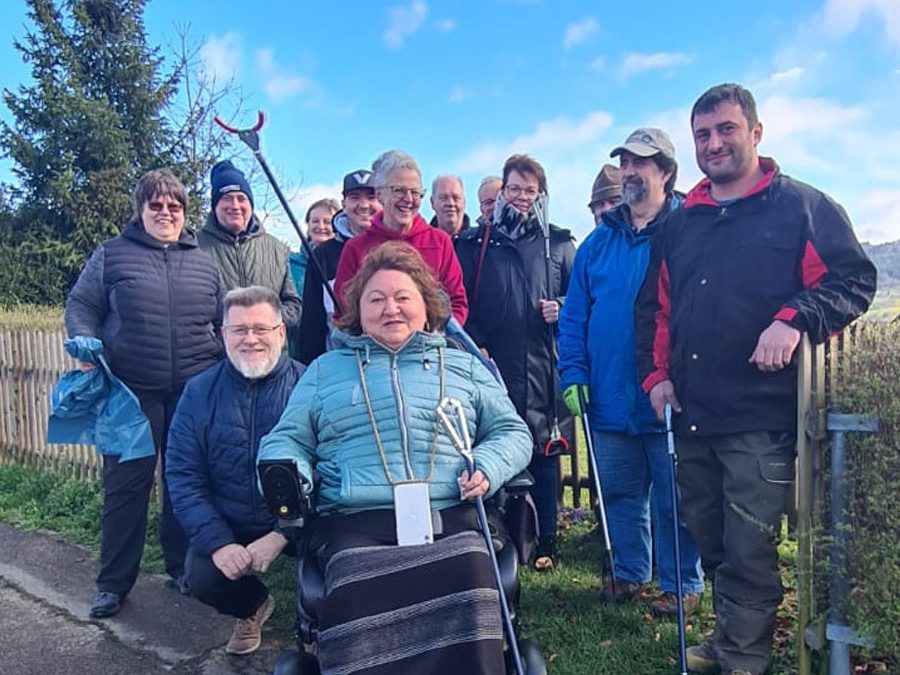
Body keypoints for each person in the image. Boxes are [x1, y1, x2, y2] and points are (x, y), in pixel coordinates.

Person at [636, 83, 876, 675]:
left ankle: (742, 662)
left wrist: (793, 320)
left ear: (756, 132)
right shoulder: (680, 224)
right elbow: (653, 310)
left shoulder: (800, 207)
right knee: (714, 542)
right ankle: (728, 643)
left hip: (761, 419)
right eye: (702, 135)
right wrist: (656, 379)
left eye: (725, 129)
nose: (713, 143)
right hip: (692, 413)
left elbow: (851, 280)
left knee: (748, 550)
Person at [258, 241, 532, 675]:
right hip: (354, 519)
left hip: (449, 512)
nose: (392, 309)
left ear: (425, 305)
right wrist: (290, 474)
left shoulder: (463, 366)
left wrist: (487, 465)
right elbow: (286, 440)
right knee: (353, 576)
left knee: (470, 568)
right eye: (377, 299)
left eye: (403, 297)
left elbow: (513, 431)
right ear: (356, 310)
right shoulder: (324, 371)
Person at [64, 169, 224, 618]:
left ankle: (182, 569)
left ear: (184, 213)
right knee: (125, 487)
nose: (166, 213)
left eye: (174, 206)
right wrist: (83, 340)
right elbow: (82, 305)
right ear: (141, 210)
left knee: (183, 484)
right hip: (128, 392)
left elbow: (221, 317)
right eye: (156, 205)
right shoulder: (112, 255)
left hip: (192, 393)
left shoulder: (204, 261)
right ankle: (113, 583)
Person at [558, 128, 704, 615]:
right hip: (607, 396)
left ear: (665, 171)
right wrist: (573, 373)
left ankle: (680, 582)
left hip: (668, 394)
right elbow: (575, 314)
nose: (629, 172)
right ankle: (629, 572)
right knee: (619, 493)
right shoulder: (599, 243)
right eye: (625, 163)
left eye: (641, 163)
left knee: (674, 500)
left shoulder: (687, 232)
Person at [167, 286, 305, 655]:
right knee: (200, 576)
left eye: (261, 329)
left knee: (334, 561)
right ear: (223, 334)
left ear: (280, 332)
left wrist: (281, 533)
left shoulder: (309, 387)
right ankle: (252, 607)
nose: (250, 339)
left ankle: (315, 631)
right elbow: (183, 476)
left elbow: (329, 471)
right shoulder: (198, 392)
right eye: (239, 330)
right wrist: (219, 542)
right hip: (232, 517)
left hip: (301, 517)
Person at [456, 154, 575, 571]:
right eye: (515, 189)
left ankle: (546, 538)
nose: (522, 197)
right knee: (496, 448)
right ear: (501, 191)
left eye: (530, 190)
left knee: (544, 454)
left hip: (543, 367)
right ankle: (500, 532)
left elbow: (580, 302)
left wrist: (560, 306)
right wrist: (479, 343)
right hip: (492, 366)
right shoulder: (476, 245)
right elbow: (460, 303)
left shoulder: (558, 244)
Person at [333, 150, 468, 325]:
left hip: (429, 348)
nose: (409, 199)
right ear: (380, 194)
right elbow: (343, 310)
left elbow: (457, 302)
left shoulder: (440, 242)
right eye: (399, 191)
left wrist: (436, 336)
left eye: (415, 192)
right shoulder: (355, 248)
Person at [197, 160, 302, 340]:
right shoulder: (195, 247)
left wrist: (265, 320)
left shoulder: (277, 249)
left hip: (269, 356)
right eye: (226, 198)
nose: (235, 206)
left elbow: (294, 306)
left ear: (251, 204)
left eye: (241, 198)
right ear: (215, 206)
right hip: (218, 357)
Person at [295, 170, 381, 365]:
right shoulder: (322, 255)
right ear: (343, 204)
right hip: (339, 367)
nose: (364, 205)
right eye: (354, 197)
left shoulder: (396, 246)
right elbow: (312, 323)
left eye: (371, 197)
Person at [288, 197, 339, 298]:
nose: (321, 226)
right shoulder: (289, 264)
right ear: (308, 226)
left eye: (327, 222)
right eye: (315, 221)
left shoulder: (346, 262)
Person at [429, 174, 471, 239]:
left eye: (456, 198)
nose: (450, 203)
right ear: (432, 202)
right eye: (443, 198)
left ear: (464, 202)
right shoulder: (418, 245)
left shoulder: (481, 244)